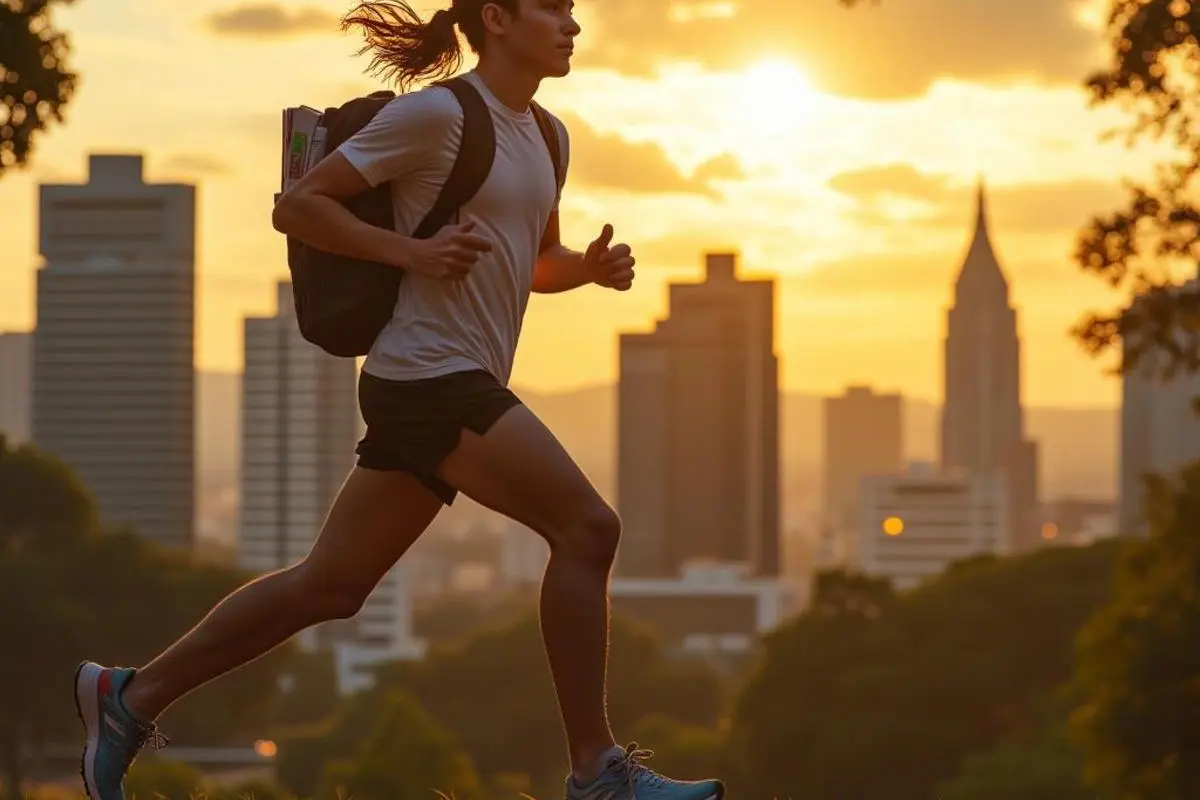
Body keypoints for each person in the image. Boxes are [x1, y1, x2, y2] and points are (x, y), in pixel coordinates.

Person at [73, 1, 726, 799]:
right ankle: (598, 772)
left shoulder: (550, 135)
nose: (571, 24)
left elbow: (533, 259)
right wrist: (411, 250)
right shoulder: (437, 116)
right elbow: (300, 207)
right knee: (588, 528)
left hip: (451, 377)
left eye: (573, 10)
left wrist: (581, 269)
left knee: (331, 587)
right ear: (496, 18)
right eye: (551, 8)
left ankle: (128, 696)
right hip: (427, 376)